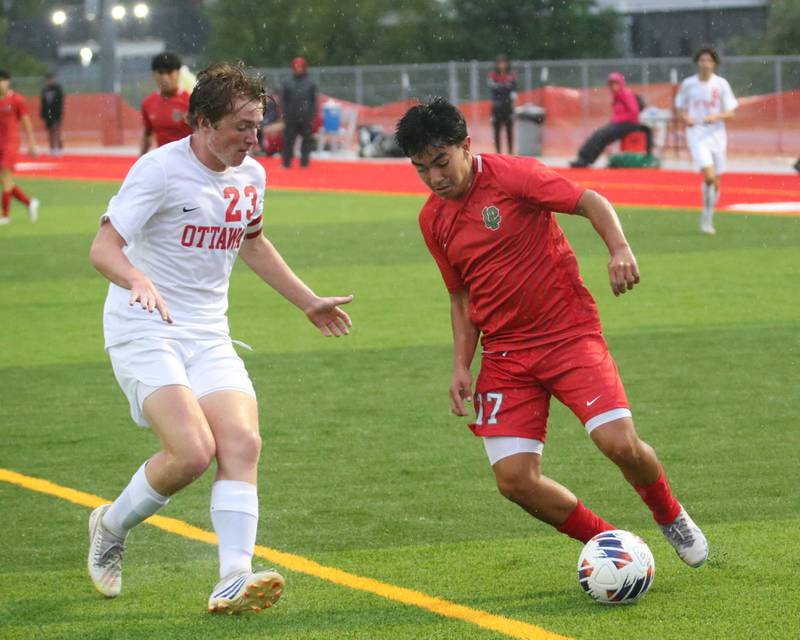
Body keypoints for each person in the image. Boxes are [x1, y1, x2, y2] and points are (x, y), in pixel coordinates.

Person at [395, 97, 708, 571]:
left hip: (568, 336)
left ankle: (669, 514)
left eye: (441, 162)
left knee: (619, 445)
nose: (435, 178)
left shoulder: (513, 176)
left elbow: (589, 200)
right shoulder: (431, 220)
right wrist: (462, 364)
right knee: (514, 481)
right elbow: (460, 298)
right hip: (505, 357)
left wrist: (619, 249)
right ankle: (613, 543)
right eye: (422, 169)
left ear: (465, 146)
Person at [87, 62, 353, 614]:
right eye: (240, 126)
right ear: (203, 122)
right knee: (190, 453)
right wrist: (136, 277)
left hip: (208, 331)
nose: (252, 139)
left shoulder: (252, 175)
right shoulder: (158, 171)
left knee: (242, 443)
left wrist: (308, 300)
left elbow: (252, 242)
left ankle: (234, 575)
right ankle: (109, 527)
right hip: (145, 325)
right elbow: (104, 249)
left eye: (257, 125)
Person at [675, 46, 738, 235]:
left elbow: (731, 112)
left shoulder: (721, 84)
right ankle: (706, 216)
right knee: (709, 176)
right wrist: (686, 118)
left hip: (717, 135)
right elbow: (679, 107)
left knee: (716, 181)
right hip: (697, 134)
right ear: (697, 63)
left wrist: (716, 117)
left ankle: (708, 215)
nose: (705, 64)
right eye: (702, 60)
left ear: (714, 64)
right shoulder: (689, 84)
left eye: (709, 60)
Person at [569, 72, 652, 168]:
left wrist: (617, 119)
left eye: (615, 83)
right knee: (598, 134)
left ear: (620, 83)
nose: (613, 86)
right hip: (619, 124)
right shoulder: (617, 96)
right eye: (611, 84)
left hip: (629, 124)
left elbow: (634, 113)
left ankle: (585, 159)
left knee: (602, 135)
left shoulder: (626, 94)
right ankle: (583, 158)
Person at [0, 69, 39, 225]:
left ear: (8, 81)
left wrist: (31, 142)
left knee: (5, 175)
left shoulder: (16, 99)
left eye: (2, 80)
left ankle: (5, 216)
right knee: (5, 181)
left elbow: (26, 122)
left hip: (11, 142)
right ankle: (30, 203)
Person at [140, 52, 194, 156]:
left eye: (169, 72)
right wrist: (140, 159)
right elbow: (147, 134)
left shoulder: (191, 102)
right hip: (162, 161)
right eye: (160, 73)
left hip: (188, 160)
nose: (165, 78)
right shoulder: (148, 103)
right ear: (154, 74)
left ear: (178, 73)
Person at [281, 57, 317, 168]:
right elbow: (284, 101)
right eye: (296, 67)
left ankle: (304, 162)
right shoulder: (288, 83)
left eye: (300, 67)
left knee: (307, 139)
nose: (298, 69)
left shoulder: (310, 84)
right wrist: (285, 114)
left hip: (306, 117)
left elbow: (313, 101)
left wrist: (311, 115)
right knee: (288, 140)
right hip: (291, 117)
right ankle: (286, 162)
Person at [487, 55, 517, 154]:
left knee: (509, 131)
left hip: (508, 107)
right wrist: (504, 87)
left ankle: (510, 152)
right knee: (497, 131)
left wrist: (502, 87)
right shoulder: (493, 75)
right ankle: (498, 153)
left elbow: (513, 89)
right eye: (500, 63)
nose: (502, 65)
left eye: (504, 63)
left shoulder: (511, 75)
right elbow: (494, 89)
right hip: (497, 107)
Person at [40, 73, 64, 155]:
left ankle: (59, 147)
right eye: (47, 80)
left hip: (56, 113)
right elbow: (43, 103)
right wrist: (42, 114)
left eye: (50, 79)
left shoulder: (57, 89)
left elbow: (60, 102)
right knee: (50, 131)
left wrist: (59, 112)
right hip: (47, 114)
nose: (48, 82)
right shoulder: (45, 90)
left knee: (56, 130)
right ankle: (52, 148)